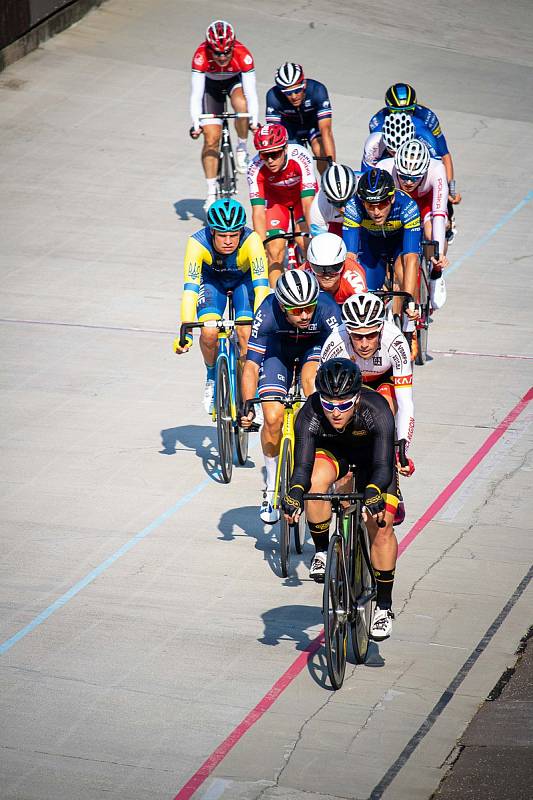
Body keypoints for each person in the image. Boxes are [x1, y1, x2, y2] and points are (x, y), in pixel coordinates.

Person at [281, 358, 400, 640]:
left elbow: (384, 466)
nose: (336, 412)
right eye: (329, 404)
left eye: (344, 405)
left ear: (357, 398)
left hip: (373, 463)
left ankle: (383, 606)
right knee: (315, 483)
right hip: (337, 457)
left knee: (381, 525)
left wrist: (373, 491)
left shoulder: (377, 409)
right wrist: (295, 493)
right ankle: (322, 551)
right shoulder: (309, 412)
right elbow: (301, 469)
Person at [239, 271, 341, 523]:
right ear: (283, 307)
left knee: (311, 382)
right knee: (272, 418)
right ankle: (272, 486)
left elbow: (340, 358)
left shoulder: (327, 308)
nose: (305, 315)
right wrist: (247, 406)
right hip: (277, 355)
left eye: (309, 308)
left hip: (313, 350)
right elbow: (251, 365)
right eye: (297, 311)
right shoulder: (267, 311)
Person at [321, 293, 415, 526]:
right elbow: (323, 401)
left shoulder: (396, 341)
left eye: (371, 335)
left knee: (385, 403)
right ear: (347, 331)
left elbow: (405, 403)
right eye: (357, 336)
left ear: (381, 329)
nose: (364, 344)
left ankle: (387, 470)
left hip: (383, 383)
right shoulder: (335, 342)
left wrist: (402, 448)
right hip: (349, 387)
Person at [174, 198, 270, 413]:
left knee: (246, 331)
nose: (228, 241)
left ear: (241, 232)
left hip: (243, 283)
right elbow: (190, 289)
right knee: (208, 331)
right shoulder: (197, 242)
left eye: (234, 235)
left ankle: (249, 391)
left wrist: (262, 327)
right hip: (212, 283)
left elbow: (262, 287)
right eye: (222, 236)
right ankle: (211, 376)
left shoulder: (252, 240)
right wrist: (186, 332)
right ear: (212, 232)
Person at [342, 168, 421, 353]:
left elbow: (411, 258)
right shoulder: (353, 207)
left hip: (400, 244)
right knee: (367, 291)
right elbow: (349, 258)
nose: (376, 211)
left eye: (382, 203)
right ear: (362, 202)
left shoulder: (407, 206)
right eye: (370, 205)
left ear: (392, 198)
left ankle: (410, 328)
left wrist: (409, 301)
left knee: (404, 268)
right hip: (372, 245)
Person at [190, 20, 259, 210]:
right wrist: (196, 123)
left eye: (226, 52)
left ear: (233, 46)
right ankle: (211, 192)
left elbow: (251, 92)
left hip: (232, 82)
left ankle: (242, 148)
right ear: (209, 48)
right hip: (210, 87)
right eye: (217, 53)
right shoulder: (200, 56)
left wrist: (253, 120)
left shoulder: (243, 55)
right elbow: (196, 94)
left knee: (242, 104)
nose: (222, 57)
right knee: (211, 138)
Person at [379, 139, 449, 308]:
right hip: (397, 207)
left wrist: (437, 253)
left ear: (424, 172)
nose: (408, 182)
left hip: (425, 204)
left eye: (414, 178)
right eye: (403, 176)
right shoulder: (384, 168)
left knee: (431, 231)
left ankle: (436, 274)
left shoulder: (437, 169)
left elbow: (438, 214)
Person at [369, 82, 462, 206]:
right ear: (388, 109)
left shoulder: (427, 118)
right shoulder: (377, 122)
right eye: (396, 111)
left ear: (415, 106)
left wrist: (450, 189)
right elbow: (374, 157)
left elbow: (443, 154)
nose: (402, 115)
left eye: (408, 111)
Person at [247, 123, 317, 286]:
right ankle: (277, 298)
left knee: (306, 243)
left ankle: (312, 285)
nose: (270, 160)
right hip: (277, 204)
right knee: (273, 252)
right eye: (265, 155)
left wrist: (314, 234)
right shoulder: (254, 167)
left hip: (302, 200)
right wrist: (260, 246)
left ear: (285, 148)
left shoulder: (300, 156)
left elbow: (308, 204)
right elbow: (258, 212)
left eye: (275, 154)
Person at [265, 62, 335, 174]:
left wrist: (333, 167)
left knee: (320, 148)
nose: (293, 96)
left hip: (312, 124)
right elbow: (275, 134)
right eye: (288, 93)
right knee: (292, 160)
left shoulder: (317, 90)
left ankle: (326, 180)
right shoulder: (273, 96)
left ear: (304, 84)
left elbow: (326, 131)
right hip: (290, 128)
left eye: (297, 90)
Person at [362, 112, 441, 171]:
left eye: (401, 152)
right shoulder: (374, 143)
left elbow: (438, 167)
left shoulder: (425, 136)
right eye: (393, 152)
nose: (396, 156)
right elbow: (367, 175)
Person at [305, 232, 367, 303]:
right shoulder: (304, 272)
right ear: (310, 264)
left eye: (333, 268)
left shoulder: (354, 278)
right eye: (319, 269)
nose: (327, 276)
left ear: (343, 263)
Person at [310, 163, 361, 237]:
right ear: (328, 199)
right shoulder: (318, 207)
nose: (344, 209)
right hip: (337, 224)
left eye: (347, 201)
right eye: (338, 203)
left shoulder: (362, 187)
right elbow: (320, 242)